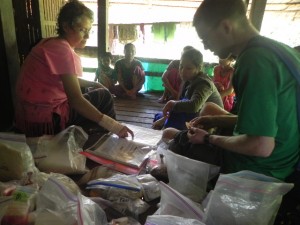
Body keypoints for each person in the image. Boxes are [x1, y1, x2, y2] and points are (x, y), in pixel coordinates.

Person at [163, 0, 300, 181]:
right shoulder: (279, 50)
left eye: (206, 39)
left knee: (174, 139)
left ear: (226, 27)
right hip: (287, 156)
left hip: (262, 167)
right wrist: (213, 119)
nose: (205, 47)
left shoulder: (253, 61)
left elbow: (261, 145)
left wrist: (208, 139)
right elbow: (267, 122)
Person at [15, 1, 133, 138]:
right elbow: (75, 100)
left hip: (25, 119)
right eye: (82, 30)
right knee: (104, 96)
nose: (87, 36)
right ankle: (104, 142)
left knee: (89, 90)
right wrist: (114, 125)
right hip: (46, 122)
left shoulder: (48, 43)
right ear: (66, 26)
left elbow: (66, 78)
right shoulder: (64, 52)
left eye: (89, 30)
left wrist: (93, 83)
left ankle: (93, 133)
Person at [152, 48, 223, 130]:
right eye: (181, 66)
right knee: (161, 116)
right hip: (195, 115)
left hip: (211, 123)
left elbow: (194, 106)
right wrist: (164, 118)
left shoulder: (203, 83)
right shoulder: (189, 80)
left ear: (199, 68)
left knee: (172, 117)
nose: (183, 71)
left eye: (188, 68)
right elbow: (183, 102)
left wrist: (171, 103)